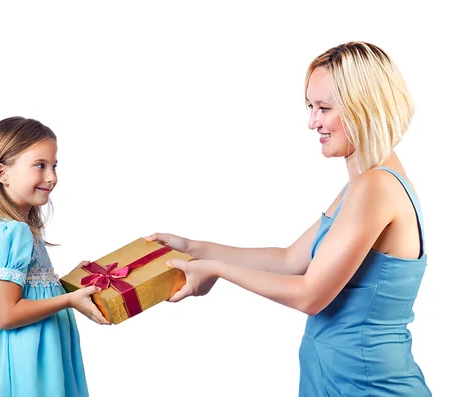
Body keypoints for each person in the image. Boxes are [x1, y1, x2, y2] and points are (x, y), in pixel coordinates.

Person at [148, 42, 431, 396]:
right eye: (311, 107)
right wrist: (196, 248)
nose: (313, 122)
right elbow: (290, 259)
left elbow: (310, 295)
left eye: (324, 108)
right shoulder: (362, 185)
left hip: (368, 385)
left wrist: (217, 270)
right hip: (336, 380)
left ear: (364, 107)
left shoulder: (376, 186)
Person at [0, 117, 108, 397]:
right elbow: (7, 314)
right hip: (26, 350)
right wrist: (70, 299)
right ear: (2, 173)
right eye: (40, 165)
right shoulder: (14, 232)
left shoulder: (9, 226)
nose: (52, 177)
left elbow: (29, 287)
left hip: (25, 343)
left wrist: (63, 282)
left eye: (54, 166)